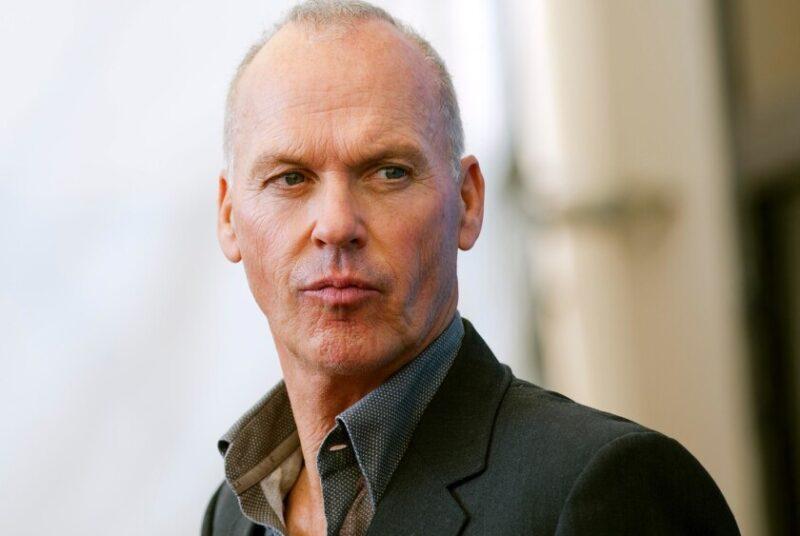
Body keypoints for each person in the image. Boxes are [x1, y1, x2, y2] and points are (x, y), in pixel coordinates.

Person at [203, 1, 740, 534]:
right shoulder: (233, 514)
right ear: (229, 217)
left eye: (389, 172)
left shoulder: (606, 486)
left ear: (468, 201)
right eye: (291, 178)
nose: (337, 224)